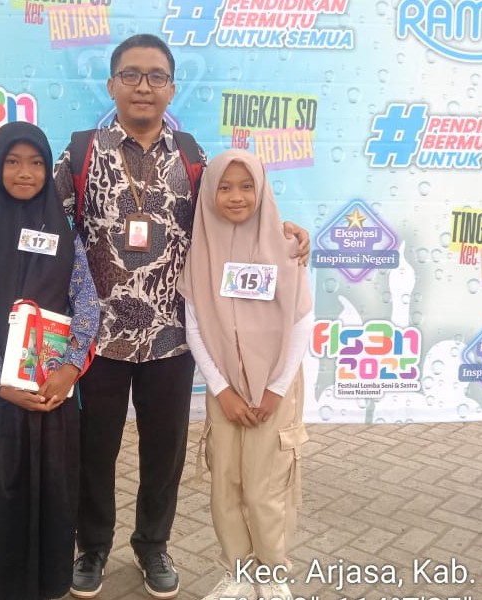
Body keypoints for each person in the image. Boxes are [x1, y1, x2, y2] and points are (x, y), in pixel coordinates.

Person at [0, 34, 311, 599]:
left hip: (173, 338)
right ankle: (92, 547)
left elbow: (236, 208)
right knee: (94, 454)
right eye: (132, 75)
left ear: (172, 87)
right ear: (112, 84)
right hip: (98, 340)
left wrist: (285, 228)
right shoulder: (80, 153)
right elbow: (31, 200)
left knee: (164, 456)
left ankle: (152, 545)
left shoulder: (193, 158)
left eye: (156, 76)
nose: (144, 86)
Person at [0, 122, 100, 600]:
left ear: (49, 170)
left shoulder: (65, 232)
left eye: (35, 163)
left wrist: (69, 369)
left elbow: (87, 303)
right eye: (12, 162)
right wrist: (0, 381)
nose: (24, 172)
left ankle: (45, 584)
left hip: (51, 392)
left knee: (50, 492)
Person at [176, 150, 313, 600]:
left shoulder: (287, 246)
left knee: (265, 486)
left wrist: (275, 389)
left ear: (262, 190)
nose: (236, 196)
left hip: (275, 389)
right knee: (226, 485)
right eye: (225, 187)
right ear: (209, 194)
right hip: (226, 392)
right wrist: (221, 390)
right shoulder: (199, 253)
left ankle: (272, 574)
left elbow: (301, 322)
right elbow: (195, 327)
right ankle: (236, 571)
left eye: (247, 186)